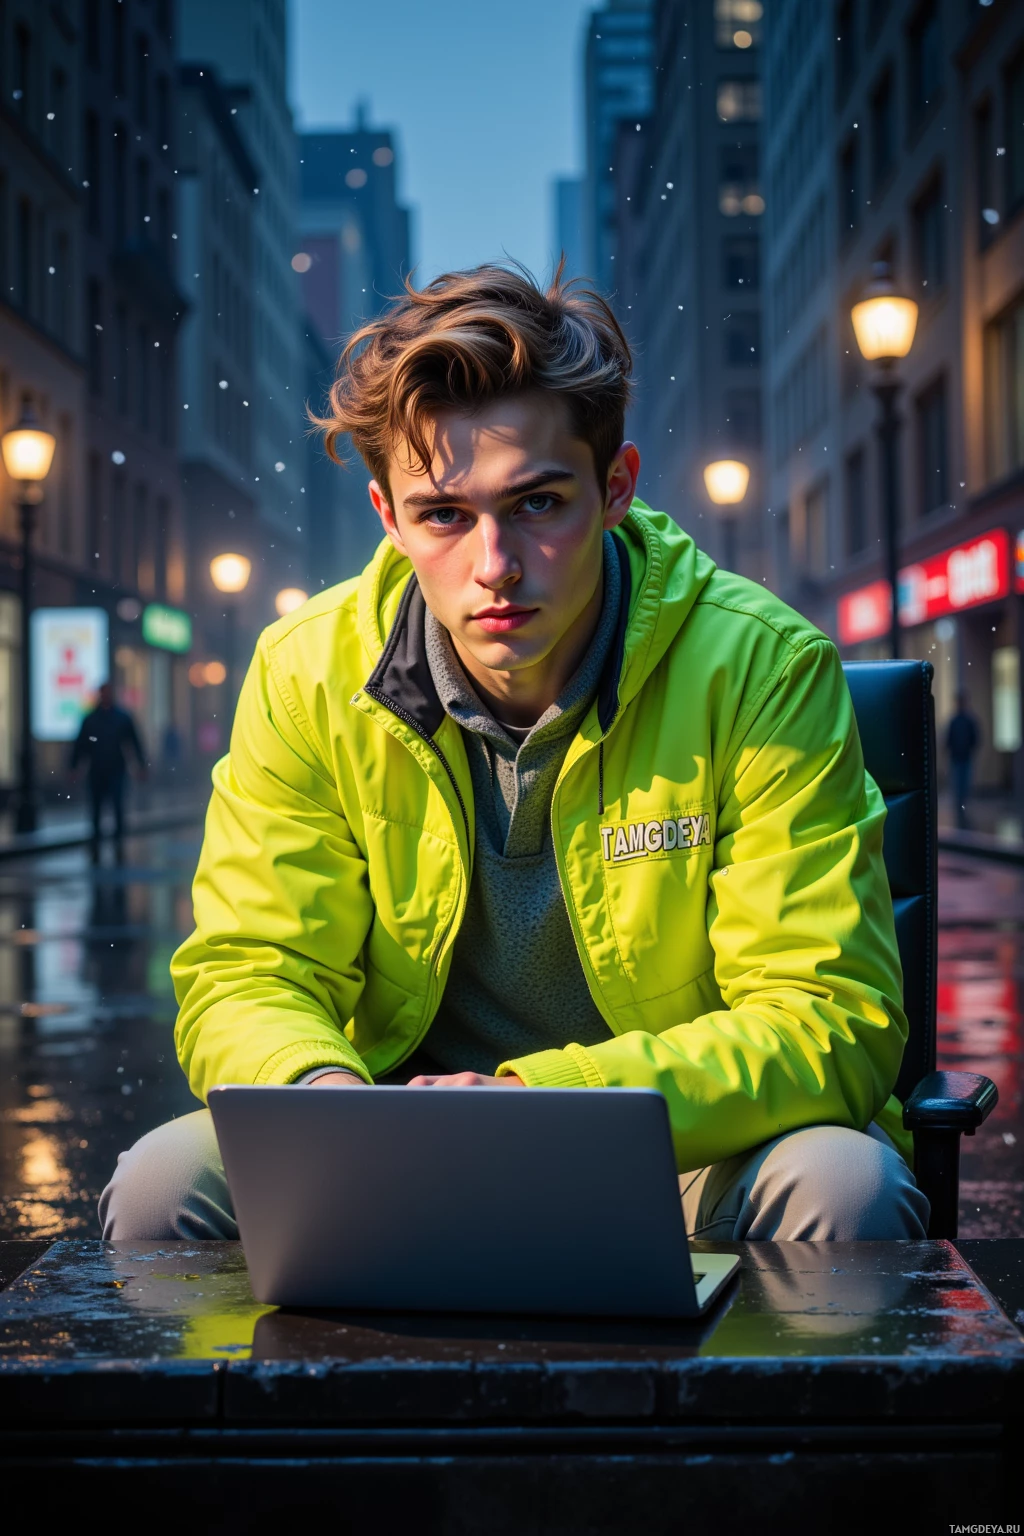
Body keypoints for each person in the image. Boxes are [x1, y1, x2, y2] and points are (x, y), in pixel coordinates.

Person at [100, 263, 928, 1244]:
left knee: (843, 1188)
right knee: (161, 1185)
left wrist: (537, 1101)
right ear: (389, 520)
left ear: (614, 488)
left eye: (537, 504)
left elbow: (826, 1015)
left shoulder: (760, 668)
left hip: (677, 1154)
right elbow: (250, 970)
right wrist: (327, 1103)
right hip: (394, 1150)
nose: (494, 565)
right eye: (444, 515)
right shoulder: (304, 674)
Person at [70, 682, 147, 853]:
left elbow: (134, 742)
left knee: (117, 806)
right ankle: (96, 841)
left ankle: (118, 842)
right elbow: (81, 744)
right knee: (96, 808)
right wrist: (74, 767)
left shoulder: (121, 718)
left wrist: (141, 765)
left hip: (116, 769)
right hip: (96, 770)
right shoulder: (91, 719)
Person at [946, 691, 980, 830]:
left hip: (965, 757)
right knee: (958, 784)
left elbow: (975, 738)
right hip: (957, 758)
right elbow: (949, 739)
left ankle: (963, 807)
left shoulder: (969, 721)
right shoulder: (954, 721)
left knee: (965, 784)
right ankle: (959, 809)